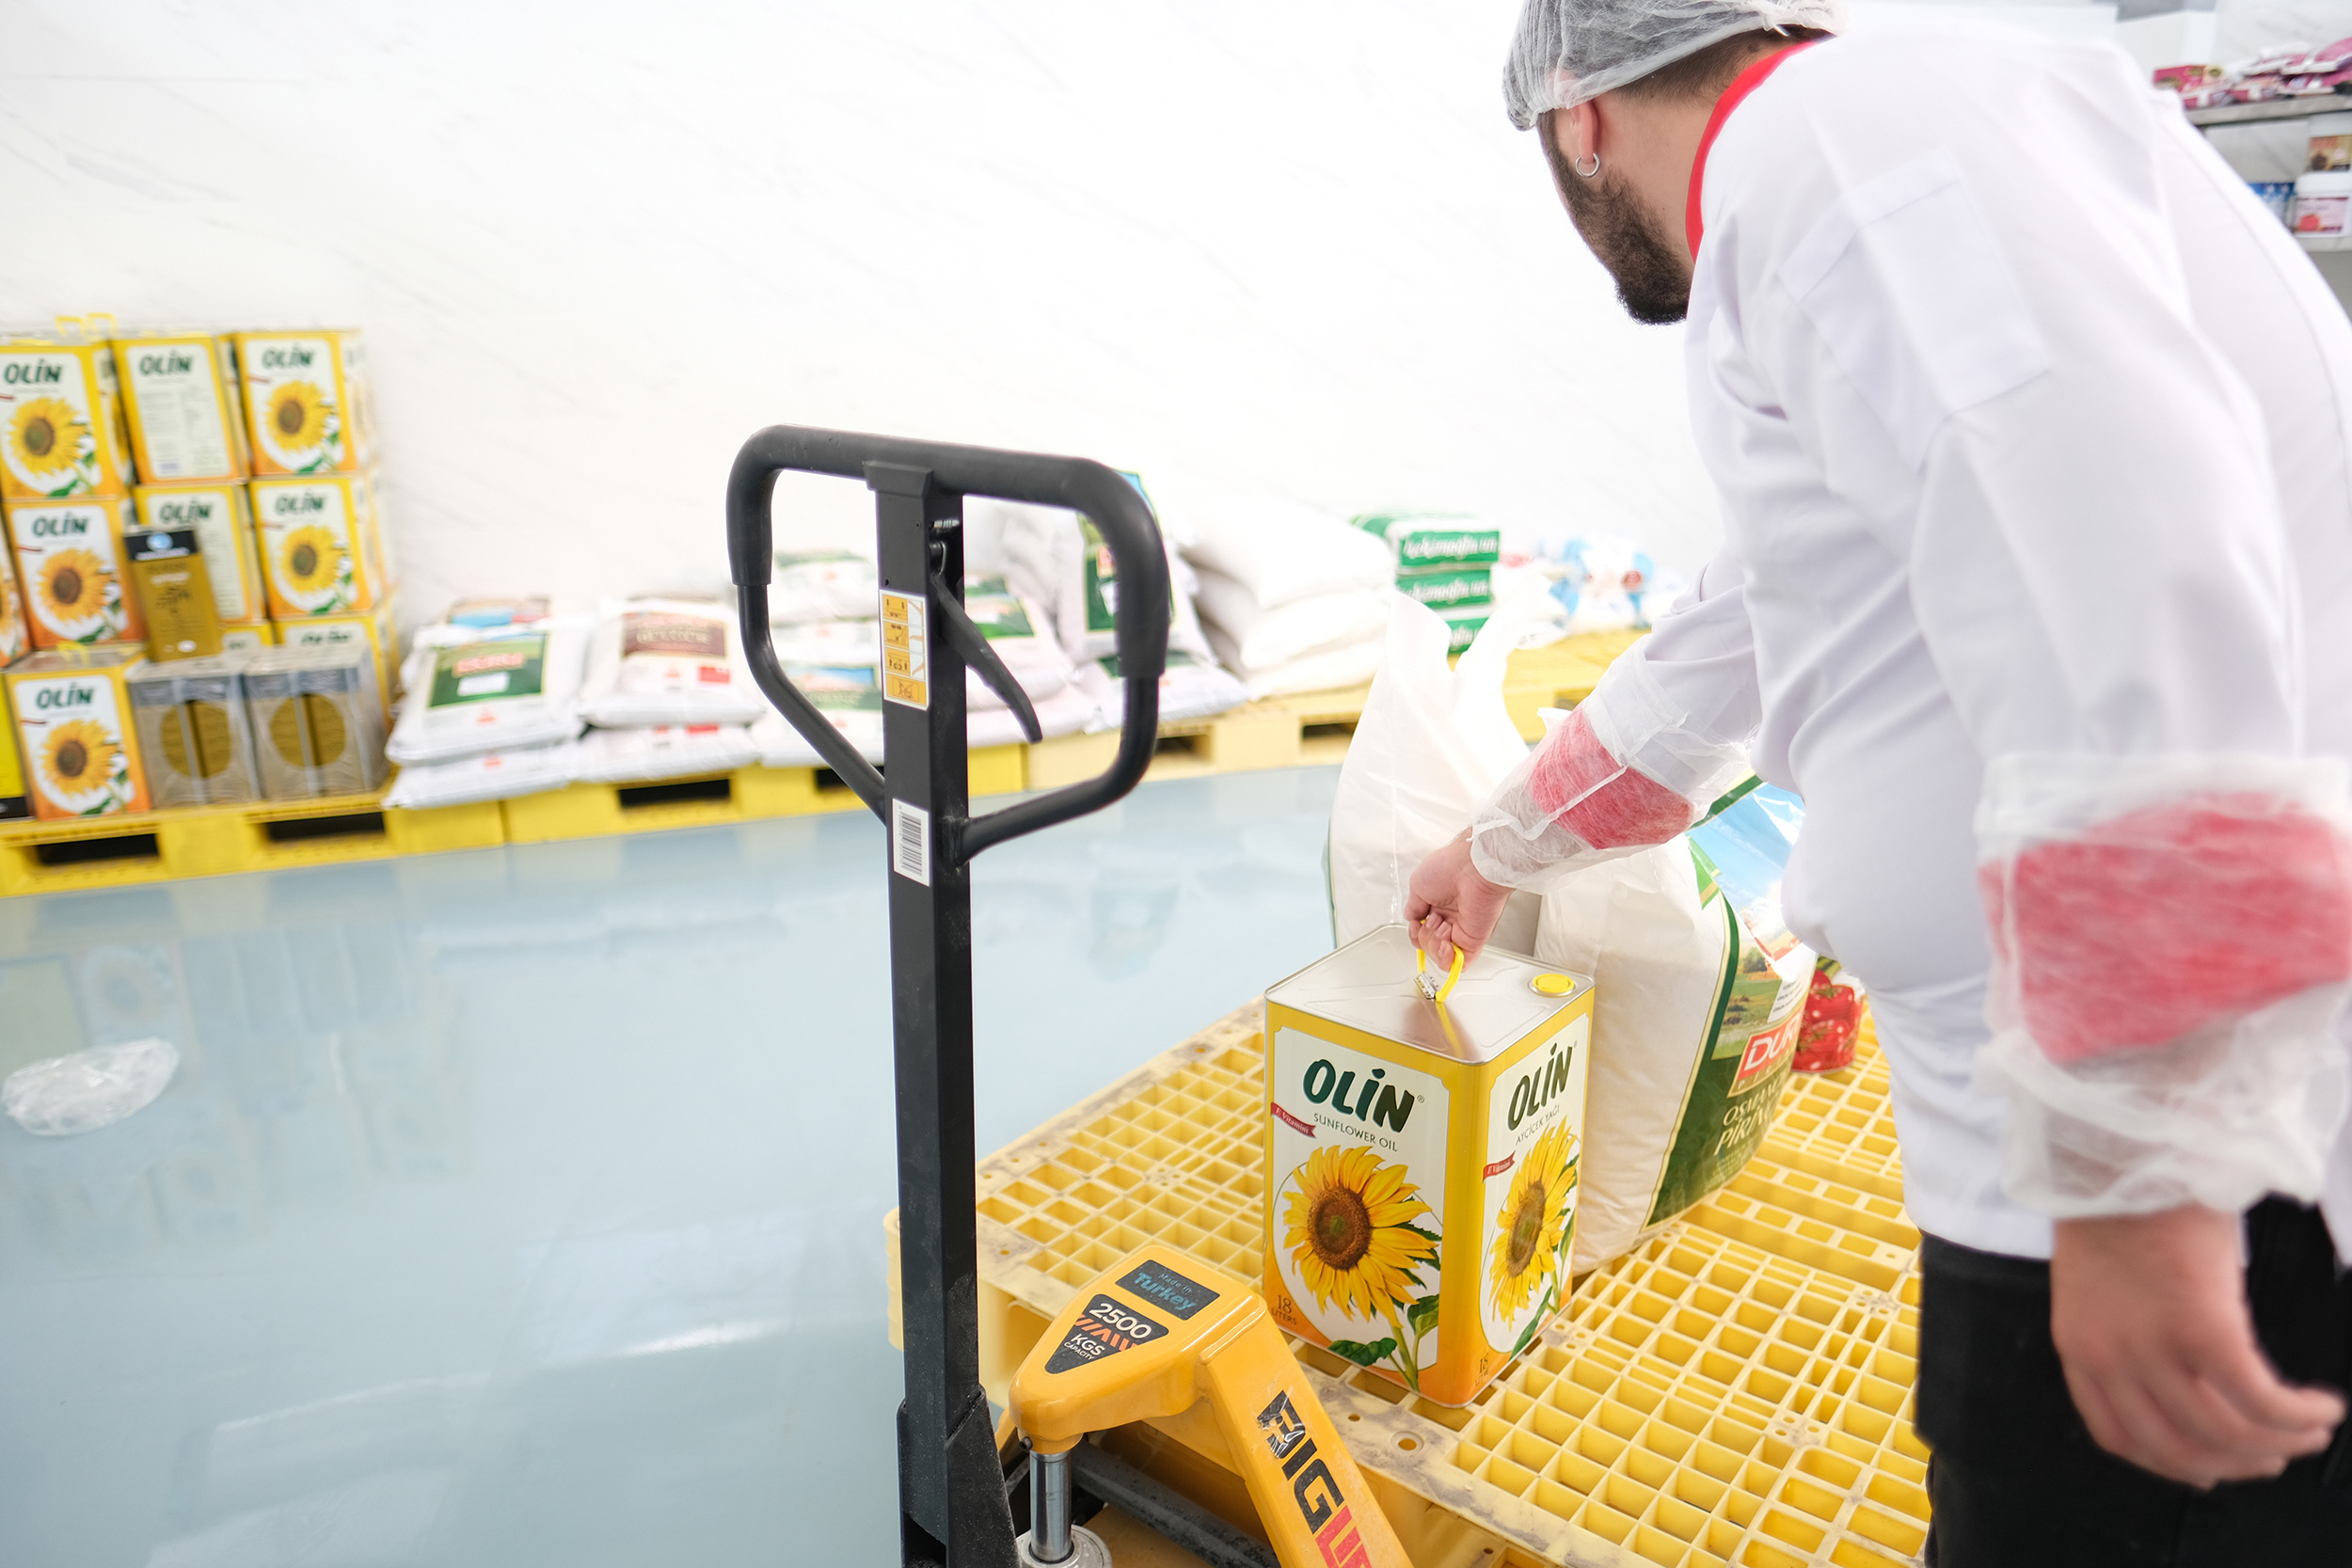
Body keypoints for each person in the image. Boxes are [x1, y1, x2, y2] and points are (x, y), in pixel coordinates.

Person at [1405, 3, 2352, 1561]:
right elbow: (1755, 624)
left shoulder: (1827, 149)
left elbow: (2132, 563)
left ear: (1579, 117)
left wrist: (2139, 1178)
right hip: (2142, 1120)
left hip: (2170, 1143)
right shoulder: (1871, 158)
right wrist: (1500, 845)